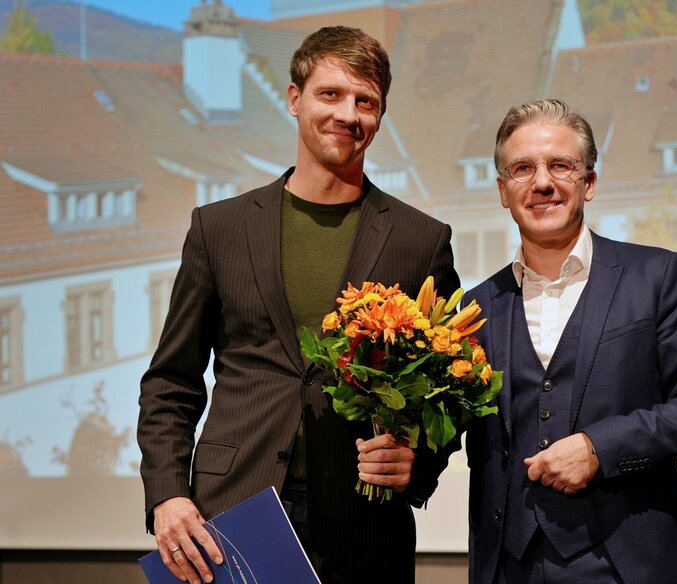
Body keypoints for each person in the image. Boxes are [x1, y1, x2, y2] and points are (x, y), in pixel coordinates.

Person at [137, 26, 459, 584]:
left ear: (380, 116)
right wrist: (167, 494)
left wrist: (419, 462)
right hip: (231, 515)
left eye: (366, 101)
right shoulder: (219, 228)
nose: (348, 115)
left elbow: (453, 386)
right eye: (330, 94)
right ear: (294, 99)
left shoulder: (420, 239)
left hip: (365, 523)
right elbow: (171, 383)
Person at [463, 98, 677, 584]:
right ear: (503, 191)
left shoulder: (658, 275)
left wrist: (599, 447)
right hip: (508, 567)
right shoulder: (475, 307)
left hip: (628, 565)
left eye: (561, 166)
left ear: (589, 183)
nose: (542, 182)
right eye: (523, 168)